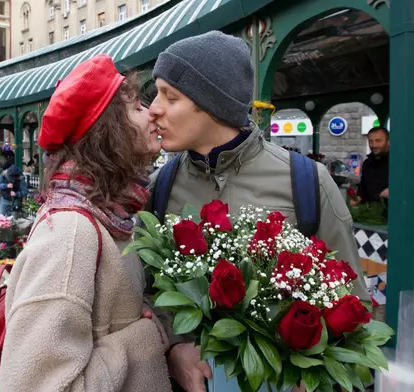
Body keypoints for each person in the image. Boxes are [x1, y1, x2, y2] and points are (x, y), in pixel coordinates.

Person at [146, 31, 369, 391]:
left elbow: (352, 303)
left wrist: (312, 376)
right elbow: (146, 288)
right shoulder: (163, 184)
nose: (153, 108)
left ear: (212, 103)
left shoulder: (307, 181)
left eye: (170, 96)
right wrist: (173, 347)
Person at [0, 54, 170, 391]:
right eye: (136, 109)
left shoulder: (109, 216)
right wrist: (143, 339)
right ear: (108, 134)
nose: (152, 114)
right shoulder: (72, 233)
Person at [356, 126, 390, 204]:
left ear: (388, 142)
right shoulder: (367, 164)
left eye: (378, 141)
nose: (374, 145)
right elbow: (362, 188)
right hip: (370, 212)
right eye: (371, 141)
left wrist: (393, 190)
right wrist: (357, 198)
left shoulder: (395, 162)